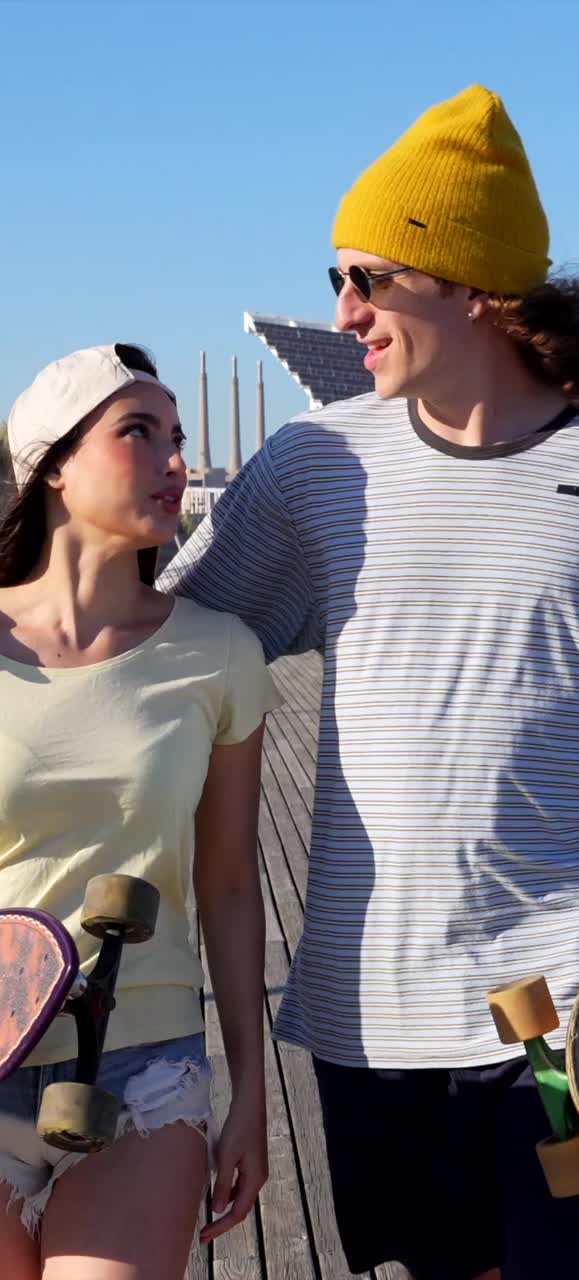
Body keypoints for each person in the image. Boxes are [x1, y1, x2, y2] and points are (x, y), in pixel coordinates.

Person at [159, 85, 579, 1280]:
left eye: (371, 278)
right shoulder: (317, 465)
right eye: (336, 279)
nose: (345, 310)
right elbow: (168, 649)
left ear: (475, 286)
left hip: (573, 1006)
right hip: (372, 1009)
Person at [0, 343, 279, 1280]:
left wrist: (252, 1092)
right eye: (138, 433)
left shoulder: (220, 655)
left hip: (145, 1057)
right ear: (51, 465)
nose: (175, 461)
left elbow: (232, 885)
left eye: (179, 437)